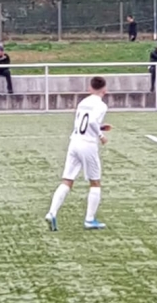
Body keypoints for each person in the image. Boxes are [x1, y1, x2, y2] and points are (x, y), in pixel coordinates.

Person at [45, 76, 111, 231]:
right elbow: (91, 121)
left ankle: (52, 213)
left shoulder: (83, 102)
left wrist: (100, 127)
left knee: (67, 180)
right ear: (104, 89)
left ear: (90, 88)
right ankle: (89, 220)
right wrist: (100, 135)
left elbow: (81, 122)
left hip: (74, 141)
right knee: (95, 182)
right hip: (88, 144)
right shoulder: (101, 105)